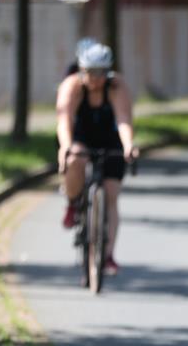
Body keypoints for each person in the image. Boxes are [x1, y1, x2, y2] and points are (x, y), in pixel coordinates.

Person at [56, 43, 138, 277]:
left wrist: (128, 144)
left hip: (109, 138)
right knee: (75, 160)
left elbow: (123, 119)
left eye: (101, 72)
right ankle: (73, 203)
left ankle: (108, 253)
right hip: (80, 135)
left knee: (111, 194)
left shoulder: (116, 86)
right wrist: (65, 146)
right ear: (82, 69)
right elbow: (64, 120)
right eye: (90, 72)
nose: (96, 78)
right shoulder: (71, 86)